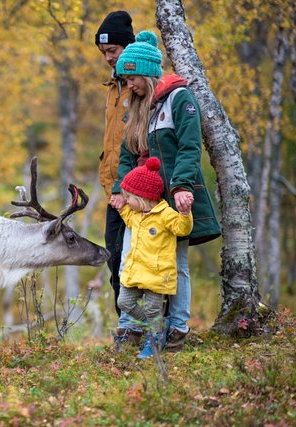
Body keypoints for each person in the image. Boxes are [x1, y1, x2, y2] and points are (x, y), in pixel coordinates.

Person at [110, 30, 221, 352]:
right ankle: (134, 328)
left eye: (131, 78)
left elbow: (189, 147)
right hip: (142, 200)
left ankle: (177, 328)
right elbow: (127, 155)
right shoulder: (137, 110)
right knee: (129, 258)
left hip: (172, 197)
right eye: (125, 79)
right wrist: (120, 189)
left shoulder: (179, 99)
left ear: (146, 72)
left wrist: (183, 186)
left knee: (178, 263)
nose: (128, 85)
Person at [94, 10, 143, 347]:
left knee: (141, 261)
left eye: (113, 50)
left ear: (128, 46)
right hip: (114, 189)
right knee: (115, 257)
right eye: (104, 52)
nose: (108, 57)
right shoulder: (113, 86)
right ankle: (126, 330)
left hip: (139, 189)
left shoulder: (140, 83)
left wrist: (132, 186)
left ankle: (151, 328)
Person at [116, 157, 193, 359]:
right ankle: (159, 326)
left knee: (152, 308)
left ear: (142, 197)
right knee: (124, 302)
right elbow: (126, 216)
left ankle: (154, 338)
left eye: (128, 197)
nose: (127, 201)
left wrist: (185, 214)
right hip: (135, 273)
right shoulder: (135, 214)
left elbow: (181, 228)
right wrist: (120, 205)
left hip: (156, 276)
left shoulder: (164, 214)